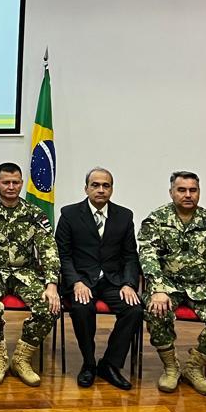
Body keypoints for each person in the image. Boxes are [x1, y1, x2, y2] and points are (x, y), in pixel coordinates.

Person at [138, 171, 206, 396]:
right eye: (182, 190)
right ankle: (171, 367)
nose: (188, 195)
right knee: (156, 311)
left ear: (199, 192)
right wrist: (158, 289)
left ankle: (194, 366)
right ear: (171, 192)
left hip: (204, 287)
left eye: (193, 190)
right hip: (168, 286)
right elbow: (147, 255)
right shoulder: (156, 220)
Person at [0, 162, 61, 387]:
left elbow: (49, 249)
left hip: (25, 272)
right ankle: (0, 359)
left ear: (21, 183)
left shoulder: (34, 213)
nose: (11, 187)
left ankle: (21, 359)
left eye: (15, 182)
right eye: (6, 182)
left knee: (49, 305)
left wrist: (51, 284)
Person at [55, 167, 141, 390]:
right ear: (86, 188)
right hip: (82, 280)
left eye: (106, 185)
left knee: (134, 309)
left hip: (113, 280)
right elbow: (63, 255)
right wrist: (76, 282)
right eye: (95, 185)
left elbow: (130, 255)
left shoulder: (124, 216)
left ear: (112, 189)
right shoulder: (69, 214)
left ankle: (110, 364)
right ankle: (89, 363)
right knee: (82, 307)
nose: (101, 190)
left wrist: (129, 284)